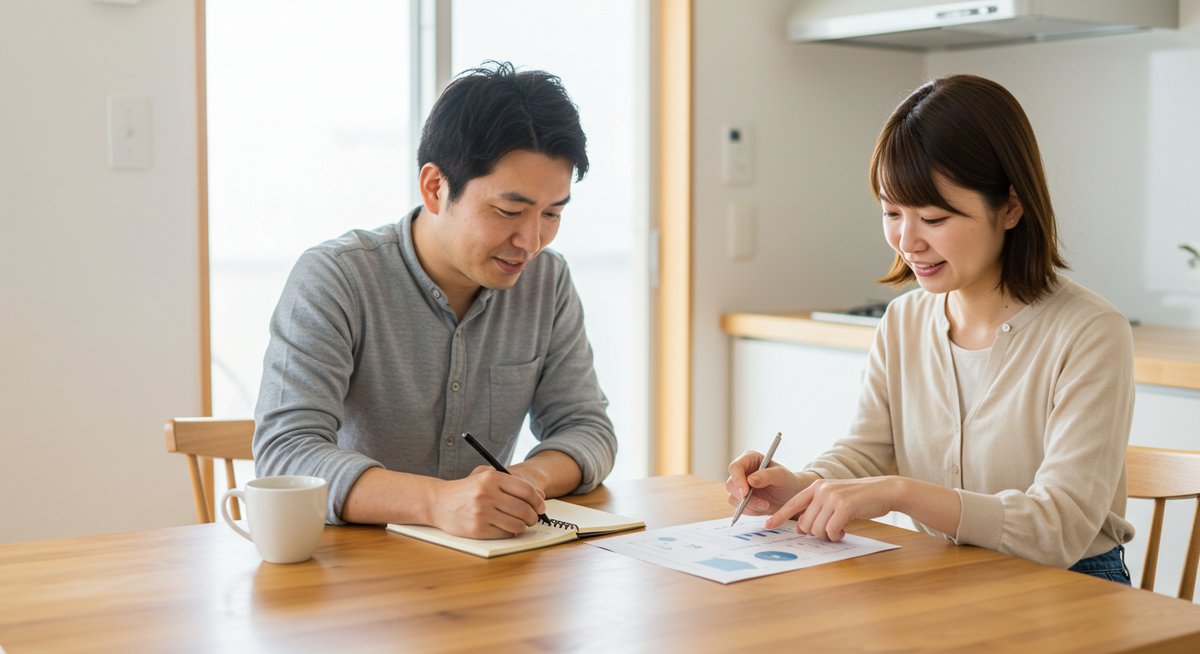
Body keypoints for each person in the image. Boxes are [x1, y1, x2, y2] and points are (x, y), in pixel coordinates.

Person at [726, 74, 1135, 583]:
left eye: (935, 218)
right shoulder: (903, 321)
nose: (907, 241)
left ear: (1010, 206)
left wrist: (900, 492)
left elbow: (1058, 529)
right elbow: (868, 453)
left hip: (1071, 588)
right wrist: (805, 486)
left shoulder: (1091, 333)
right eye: (891, 212)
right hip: (946, 574)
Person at [254, 61, 617, 539]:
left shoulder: (546, 282)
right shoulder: (336, 278)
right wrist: (438, 503)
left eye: (552, 213)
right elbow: (287, 452)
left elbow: (587, 428)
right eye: (509, 211)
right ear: (434, 187)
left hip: (487, 568)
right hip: (354, 572)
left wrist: (524, 482)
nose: (531, 241)